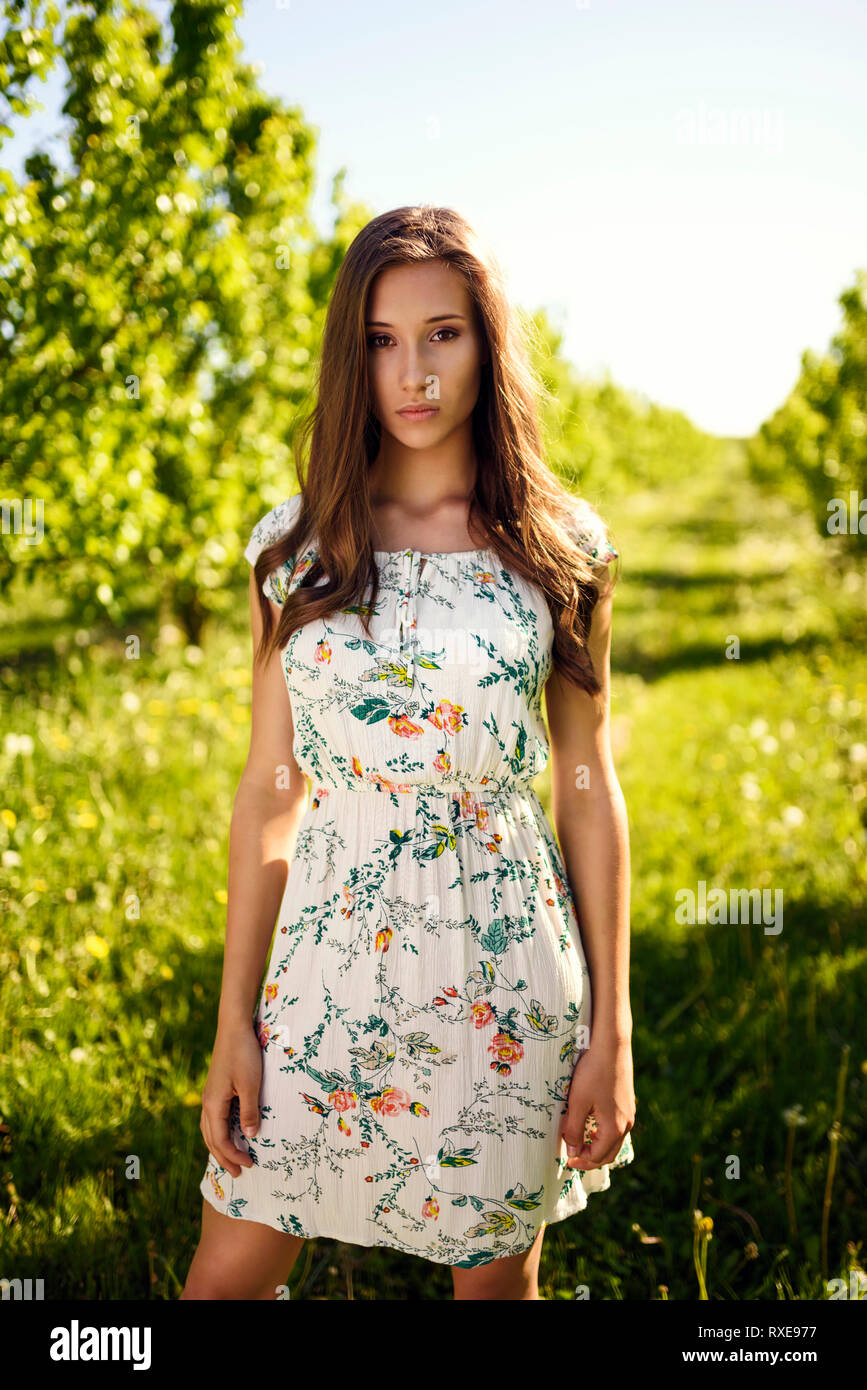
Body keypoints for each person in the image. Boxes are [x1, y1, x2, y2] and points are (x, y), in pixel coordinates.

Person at [181, 205, 635, 1302]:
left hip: (506, 972)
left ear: (487, 342)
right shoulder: (292, 551)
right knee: (225, 1277)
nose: (415, 372)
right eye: (383, 340)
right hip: (324, 968)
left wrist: (611, 1030)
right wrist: (233, 1020)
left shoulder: (559, 550)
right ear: (353, 354)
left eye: (444, 334)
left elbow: (587, 790)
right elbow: (269, 790)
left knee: (493, 1290)